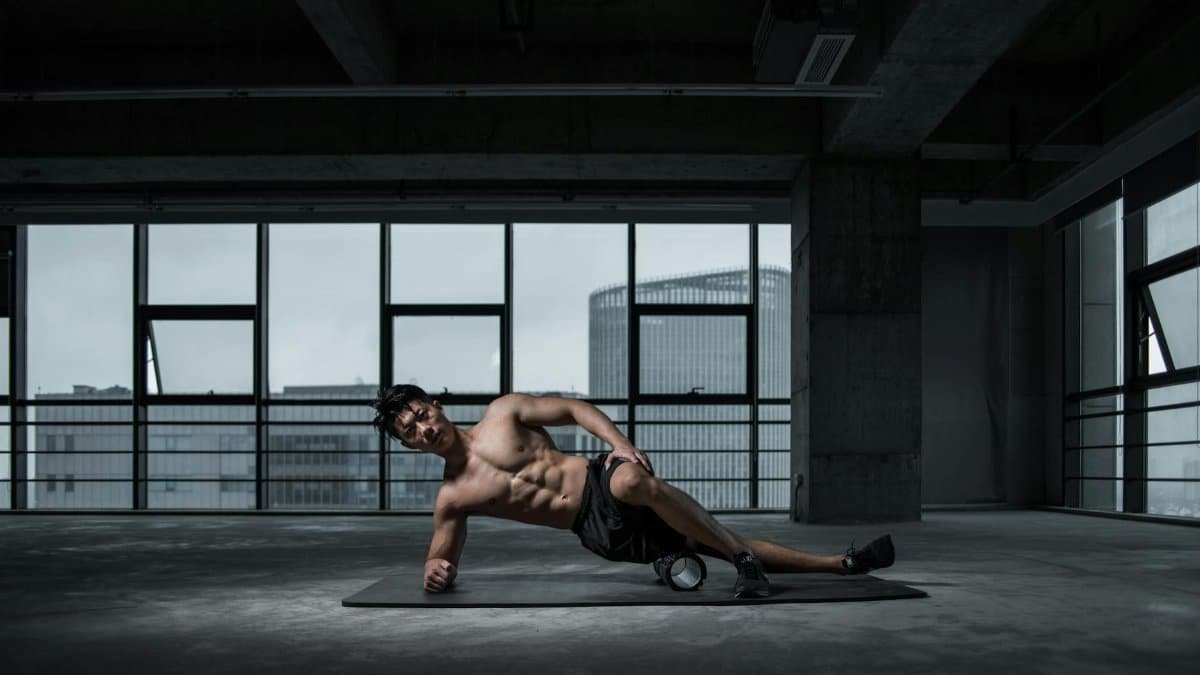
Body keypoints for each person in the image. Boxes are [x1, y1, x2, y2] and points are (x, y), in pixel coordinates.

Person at [371, 384, 895, 598]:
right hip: (595, 530)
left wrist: (620, 443)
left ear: (435, 404)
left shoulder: (503, 411)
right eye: (409, 432)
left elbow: (575, 409)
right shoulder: (452, 498)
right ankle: (837, 566)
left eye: (420, 415)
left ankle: (744, 559)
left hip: (601, 480)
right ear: (409, 446)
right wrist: (434, 571)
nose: (421, 428)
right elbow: (440, 559)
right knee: (703, 547)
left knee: (630, 478)